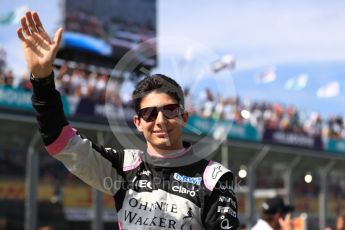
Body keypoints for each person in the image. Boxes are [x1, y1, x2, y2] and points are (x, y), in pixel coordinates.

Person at [17, 11, 239, 229]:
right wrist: (42, 79)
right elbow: (61, 141)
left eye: (170, 110)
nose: (160, 120)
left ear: (184, 117)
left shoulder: (214, 178)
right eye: (150, 113)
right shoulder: (125, 166)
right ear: (138, 123)